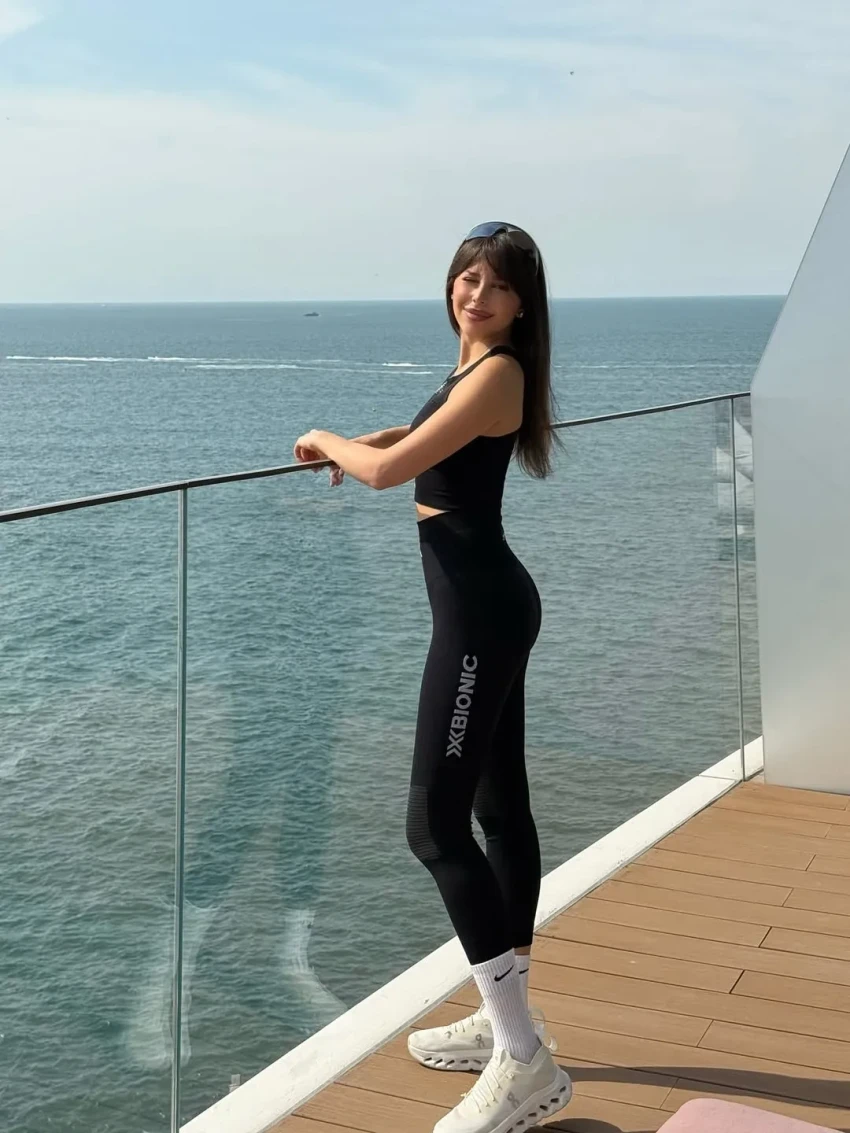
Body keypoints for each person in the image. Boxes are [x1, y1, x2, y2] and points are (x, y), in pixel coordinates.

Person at [293, 221, 572, 1133]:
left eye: (498, 285)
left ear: (523, 304)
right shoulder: (478, 372)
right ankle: (506, 1021)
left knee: (435, 826)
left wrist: (326, 437)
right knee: (500, 812)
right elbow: (417, 440)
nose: (477, 296)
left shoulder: (496, 371)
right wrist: (365, 439)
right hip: (492, 607)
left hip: (479, 619)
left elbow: (386, 472)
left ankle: (523, 1057)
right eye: (468, 278)